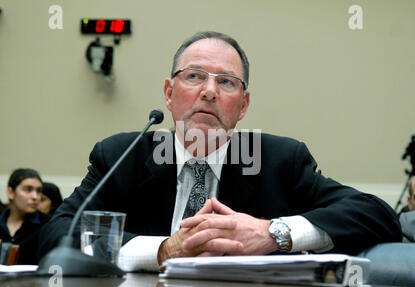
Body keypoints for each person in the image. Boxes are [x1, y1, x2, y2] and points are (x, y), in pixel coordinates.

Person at [38, 31, 402, 272]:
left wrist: (272, 233)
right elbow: (57, 234)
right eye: (194, 76)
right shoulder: (124, 154)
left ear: (242, 106)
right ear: (169, 93)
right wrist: (163, 250)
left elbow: (376, 215)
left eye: (226, 82)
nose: (209, 91)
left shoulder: (279, 160)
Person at [0, 168, 50, 264]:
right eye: (28, 190)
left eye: (38, 191)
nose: (35, 197)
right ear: (11, 193)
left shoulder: (47, 224)